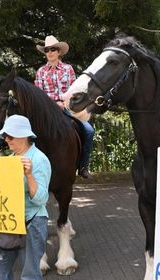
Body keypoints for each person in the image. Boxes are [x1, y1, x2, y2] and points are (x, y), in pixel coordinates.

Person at [0, 115, 51, 280]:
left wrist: (29, 175)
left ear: (23, 136)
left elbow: (40, 200)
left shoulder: (39, 159)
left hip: (31, 223)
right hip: (6, 224)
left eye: (10, 136)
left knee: (30, 276)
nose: (6, 139)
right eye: (5, 136)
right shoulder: (9, 160)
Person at [34, 35, 94, 178]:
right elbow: (39, 94)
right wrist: (53, 104)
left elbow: (73, 91)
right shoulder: (40, 72)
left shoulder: (68, 69)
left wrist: (63, 103)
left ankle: (83, 166)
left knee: (89, 131)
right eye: (47, 50)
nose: (50, 52)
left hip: (67, 108)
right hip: (47, 110)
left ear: (59, 52)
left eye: (53, 49)